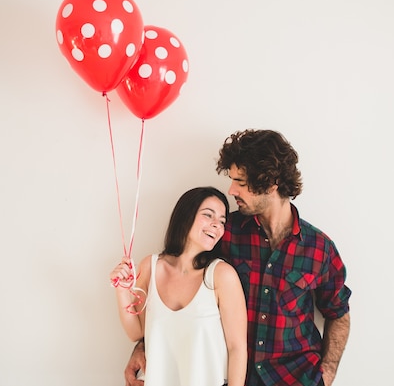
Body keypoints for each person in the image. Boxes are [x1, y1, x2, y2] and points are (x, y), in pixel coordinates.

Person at [125, 129, 352, 386]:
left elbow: (338, 313)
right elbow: (178, 284)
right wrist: (144, 346)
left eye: (241, 183)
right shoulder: (224, 232)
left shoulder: (319, 248)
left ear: (271, 183)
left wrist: (328, 371)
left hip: (297, 379)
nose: (232, 190)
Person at [111, 186, 247, 386]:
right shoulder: (150, 266)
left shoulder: (221, 275)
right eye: (208, 215)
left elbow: (237, 348)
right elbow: (136, 332)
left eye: (222, 221)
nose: (216, 225)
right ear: (185, 216)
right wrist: (121, 291)